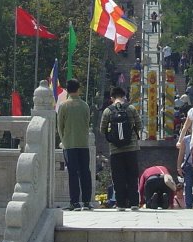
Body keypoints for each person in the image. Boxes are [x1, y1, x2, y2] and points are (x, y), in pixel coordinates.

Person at [99, 86, 141, 210]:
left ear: (112, 98)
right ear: (124, 96)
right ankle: (134, 203)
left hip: (115, 150)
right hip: (131, 148)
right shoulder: (131, 108)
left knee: (118, 177)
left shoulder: (108, 111)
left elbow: (102, 129)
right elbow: (139, 125)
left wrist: (112, 137)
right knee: (132, 176)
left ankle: (120, 204)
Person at [56, 79, 92, 210]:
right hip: (83, 144)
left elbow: (60, 126)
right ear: (79, 89)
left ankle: (74, 202)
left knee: (72, 173)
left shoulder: (63, 106)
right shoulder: (85, 105)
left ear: (67, 89)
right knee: (85, 172)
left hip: (69, 144)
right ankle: (87, 202)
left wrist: (64, 140)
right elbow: (87, 123)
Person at [177, 133, 193, 208]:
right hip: (188, 165)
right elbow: (181, 153)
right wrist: (179, 167)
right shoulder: (186, 139)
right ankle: (188, 205)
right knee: (188, 185)